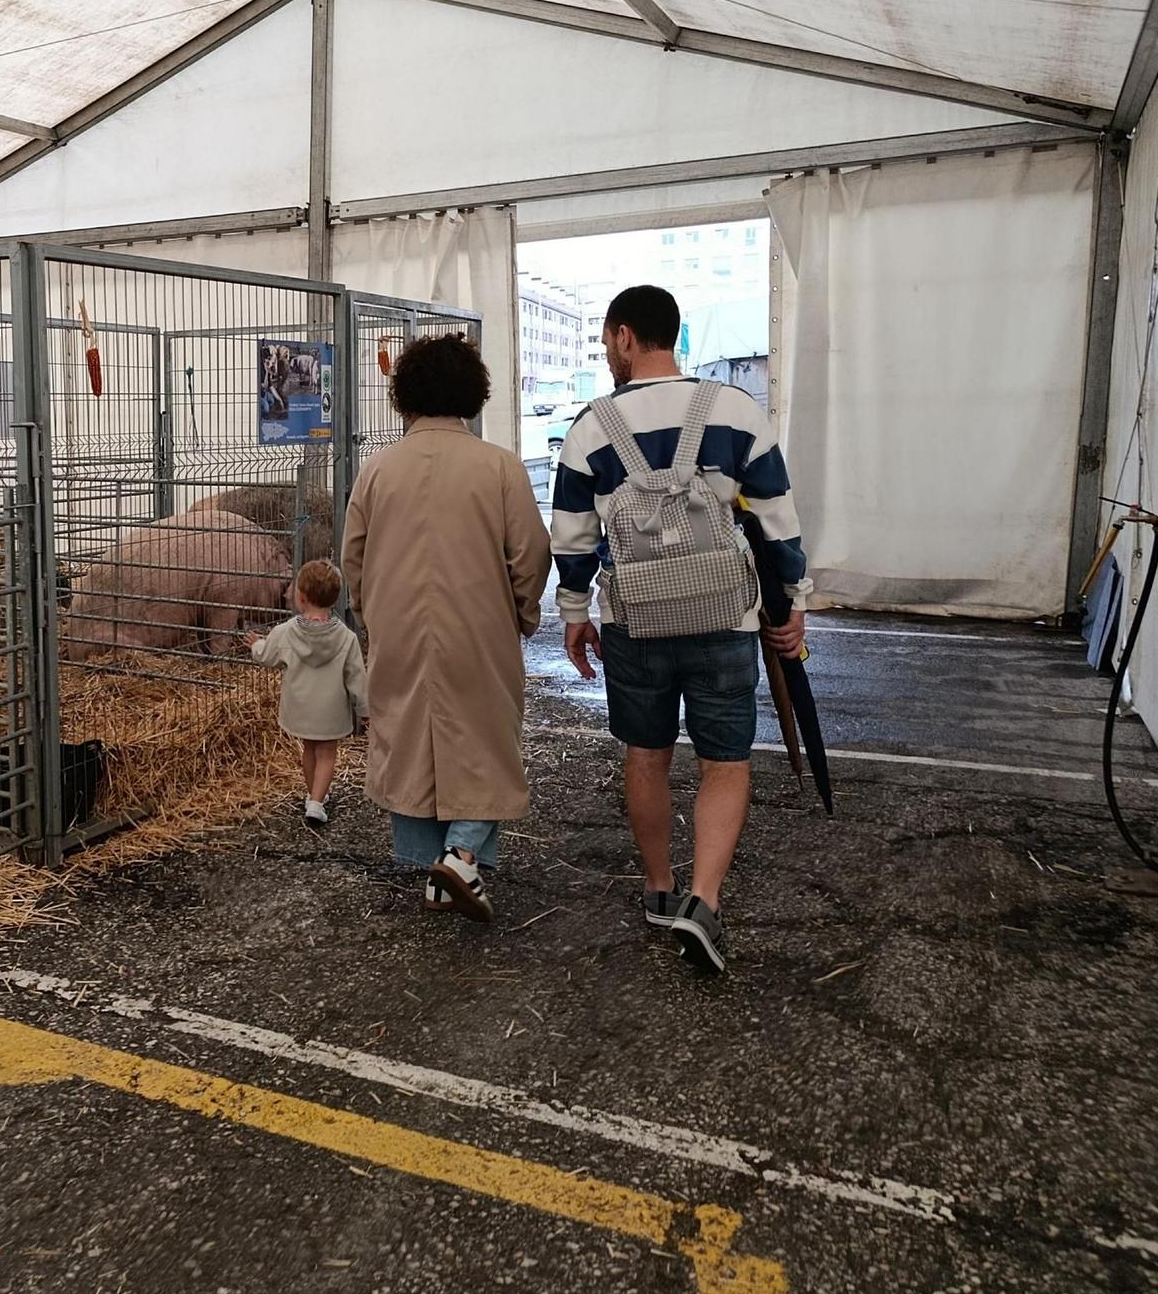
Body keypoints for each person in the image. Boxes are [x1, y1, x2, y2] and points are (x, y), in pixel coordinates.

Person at [551, 284, 810, 975]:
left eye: (608, 339)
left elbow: (573, 540)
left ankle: (660, 887)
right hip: (725, 617)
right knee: (725, 760)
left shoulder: (590, 427)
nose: (608, 350)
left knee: (647, 754)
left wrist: (574, 616)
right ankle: (705, 899)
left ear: (627, 336)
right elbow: (775, 518)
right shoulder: (734, 411)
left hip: (636, 622)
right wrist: (791, 601)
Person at [341, 334, 550, 924]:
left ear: (403, 394)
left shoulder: (377, 470)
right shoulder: (499, 466)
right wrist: (520, 611)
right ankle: (461, 856)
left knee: (409, 737)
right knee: (481, 737)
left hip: (399, 626)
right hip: (480, 623)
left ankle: (430, 863)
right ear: (471, 393)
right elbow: (531, 551)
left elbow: (353, 555)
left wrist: (369, 615)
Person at [246, 559, 369, 827]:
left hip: (300, 709)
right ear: (335, 598)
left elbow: (268, 656)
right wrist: (365, 710)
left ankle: (312, 795)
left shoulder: (286, 632)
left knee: (309, 749)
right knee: (327, 754)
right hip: (331, 711)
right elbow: (357, 677)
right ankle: (316, 801)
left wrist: (257, 645)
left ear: (300, 598)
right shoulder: (346, 638)